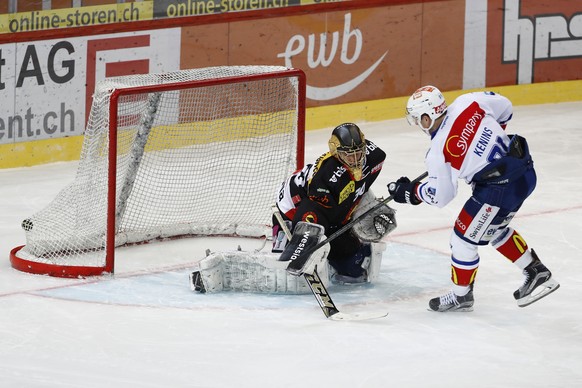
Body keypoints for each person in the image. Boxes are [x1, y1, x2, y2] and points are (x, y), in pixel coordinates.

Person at [388, 85, 560, 311]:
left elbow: (442, 196)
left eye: (418, 119)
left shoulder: (438, 151)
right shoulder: (468, 102)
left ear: (427, 117)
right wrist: (486, 137)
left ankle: (461, 296)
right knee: (493, 228)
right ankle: (536, 271)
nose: (418, 125)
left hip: (497, 190)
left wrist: (410, 192)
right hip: (523, 171)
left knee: (462, 238)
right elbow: (505, 107)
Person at [273, 122, 395, 284]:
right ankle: (296, 244)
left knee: (353, 269)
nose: (354, 159)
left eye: (358, 153)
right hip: (292, 209)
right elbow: (311, 210)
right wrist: (304, 245)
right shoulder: (327, 177)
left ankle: (336, 256)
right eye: (348, 155)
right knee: (288, 274)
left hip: (332, 209)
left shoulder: (375, 157)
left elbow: (359, 185)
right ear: (337, 153)